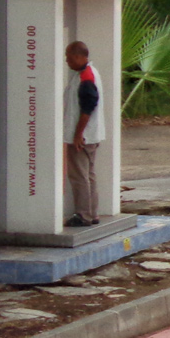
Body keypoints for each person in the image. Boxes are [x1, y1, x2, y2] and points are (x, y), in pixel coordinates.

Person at [63, 41, 105, 228]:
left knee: (79, 176)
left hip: (83, 136)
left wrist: (78, 133)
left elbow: (87, 107)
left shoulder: (86, 77)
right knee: (89, 175)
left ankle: (83, 215)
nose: (67, 61)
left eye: (70, 58)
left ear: (80, 57)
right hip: (91, 134)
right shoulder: (84, 74)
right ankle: (92, 213)